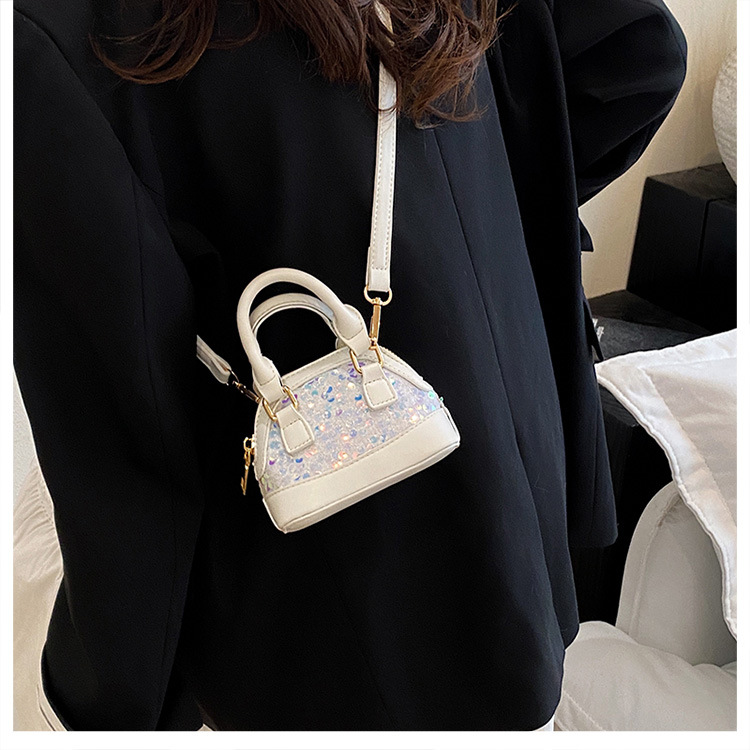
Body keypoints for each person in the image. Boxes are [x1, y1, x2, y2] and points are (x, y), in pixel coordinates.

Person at [14, 0, 687, 731]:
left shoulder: (70, 32)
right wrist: (484, 236)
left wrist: (93, 704)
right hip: (519, 511)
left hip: (327, 626)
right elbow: (639, 54)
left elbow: (127, 453)